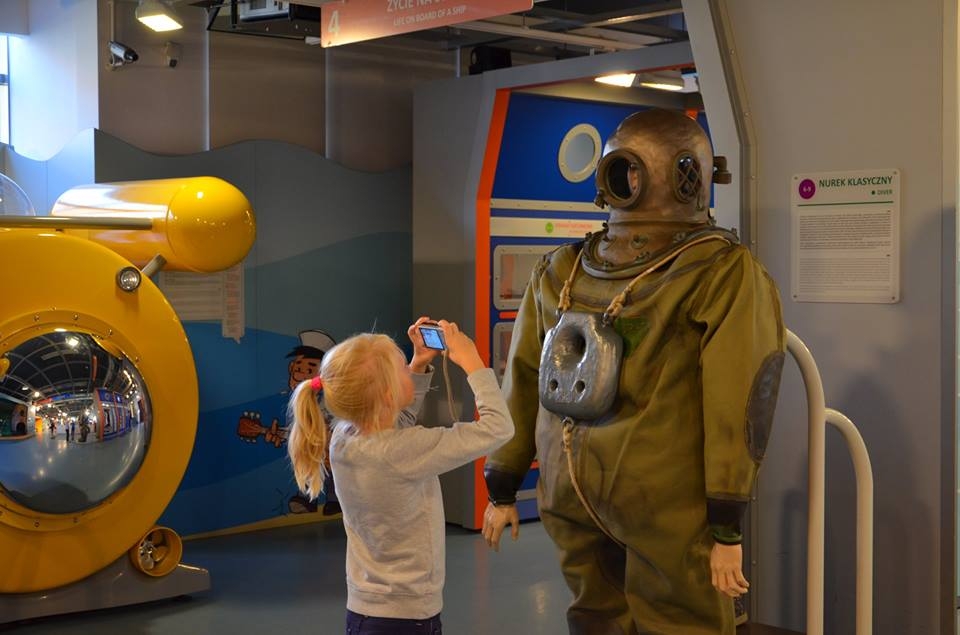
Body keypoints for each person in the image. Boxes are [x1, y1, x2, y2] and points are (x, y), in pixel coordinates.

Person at [481, 109, 785, 635]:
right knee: (680, 622)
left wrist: (503, 482)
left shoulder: (561, 269)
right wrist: (726, 522)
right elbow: (739, 400)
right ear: (694, 177)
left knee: (596, 615)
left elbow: (523, 378)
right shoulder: (720, 271)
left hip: (566, 486)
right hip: (660, 501)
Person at [287, 318, 514, 635]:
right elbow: (498, 428)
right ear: (388, 395)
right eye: (402, 369)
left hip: (366, 609)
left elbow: (397, 420)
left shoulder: (343, 436)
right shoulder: (401, 451)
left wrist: (418, 363)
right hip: (408, 617)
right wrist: (472, 362)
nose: (408, 370)